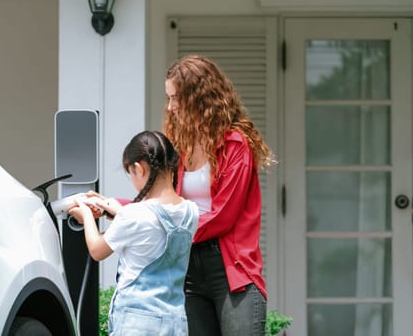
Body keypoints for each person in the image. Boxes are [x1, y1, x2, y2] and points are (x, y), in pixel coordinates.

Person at [163, 54, 275, 336]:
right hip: (188, 268)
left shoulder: (235, 144)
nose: (171, 107)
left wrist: (167, 227)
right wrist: (115, 206)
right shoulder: (181, 146)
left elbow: (223, 218)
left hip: (231, 271)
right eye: (169, 98)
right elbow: (161, 201)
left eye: (176, 98)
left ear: (197, 96)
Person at [68, 130, 199, 336]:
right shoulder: (191, 212)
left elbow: (97, 250)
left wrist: (85, 214)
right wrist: (117, 211)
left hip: (137, 323)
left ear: (139, 169)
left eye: (130, 173)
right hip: (175, 322)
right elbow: (158, 223)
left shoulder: (133, 215)